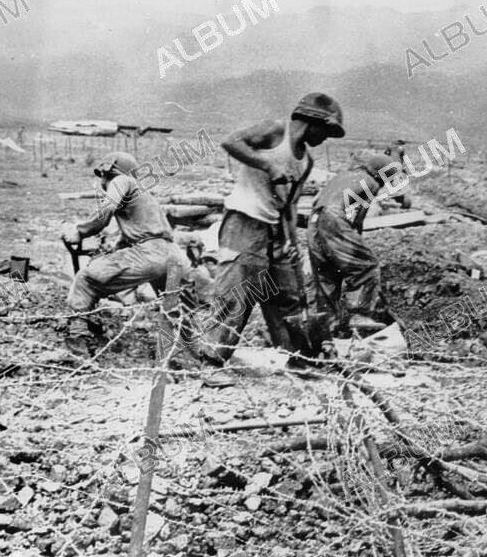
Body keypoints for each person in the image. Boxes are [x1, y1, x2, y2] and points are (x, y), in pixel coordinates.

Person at [195, 93, 344, 371]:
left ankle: (301, 359)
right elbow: (230, 141)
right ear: (313, 121)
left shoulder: (306, 162)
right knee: (236, 291)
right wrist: (267, 164)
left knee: (290, 293)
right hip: (244, 222)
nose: (327, 138)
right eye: (326, 131)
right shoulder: (276, 131)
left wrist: (290, 241)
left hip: (276, 230)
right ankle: (210, 362)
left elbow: (289, 205)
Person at [60, 151, 188, 355]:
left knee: (86, 280)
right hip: (172, 256)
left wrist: (80, 231)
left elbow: (108, 208)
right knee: (175, 309)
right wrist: (111, 252)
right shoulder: (145, 196)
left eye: (102, 175)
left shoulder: (121, 181)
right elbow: (134, 236)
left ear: (109, 172)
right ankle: (200, 355)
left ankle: (78, 338)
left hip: (149, 255)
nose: (101, 180)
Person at [307, 153, 399, 338]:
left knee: (327, 278)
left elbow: (316, 202)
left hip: (314, 220)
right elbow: (358, 217)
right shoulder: (371, 183)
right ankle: (359, 313)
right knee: (366, 266)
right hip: (333, 219)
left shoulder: (343, 176)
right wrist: (356, 243)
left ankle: (327, 331)